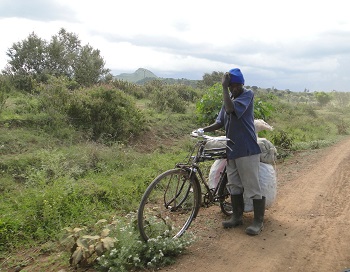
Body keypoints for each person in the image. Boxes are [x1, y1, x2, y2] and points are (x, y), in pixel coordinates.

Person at [197, 68, 265, 236]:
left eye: (235, 85)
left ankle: (258, 222)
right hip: (232, 149)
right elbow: (220, 122)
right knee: (234, 184)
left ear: (242, 84)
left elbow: (230, 110)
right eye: (231, 86)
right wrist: (201, 130)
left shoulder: (247, 95)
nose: (233, 88)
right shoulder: (230, 98)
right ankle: (236, 216)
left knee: (252, 186)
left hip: (247, 149)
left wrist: (224, 88)